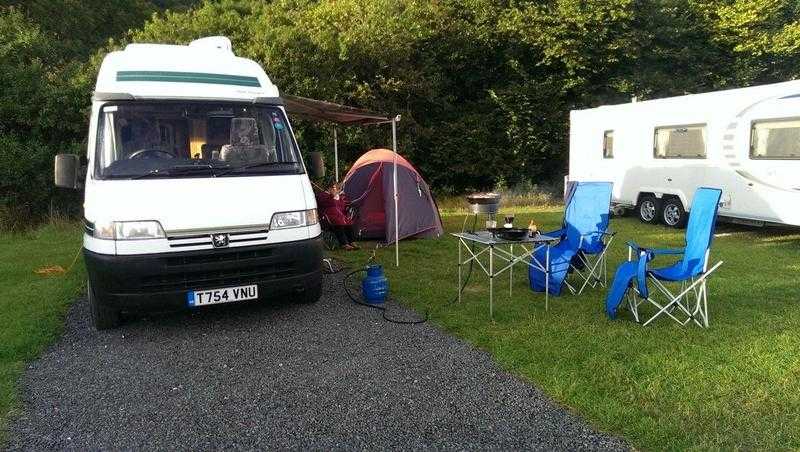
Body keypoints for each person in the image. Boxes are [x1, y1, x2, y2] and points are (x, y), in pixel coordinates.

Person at [315, 183, 359, 250]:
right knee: (338, 223)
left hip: (340, 216)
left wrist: (347, 208)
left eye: (335, 188)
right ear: (329, 188)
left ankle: (352, 241)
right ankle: (344, 244)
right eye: (334, 187)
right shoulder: (322, 195)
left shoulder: (338, 197)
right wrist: (331, 196)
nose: (335, 189)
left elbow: (343, 205)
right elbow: (323, 203)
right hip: (328, 217)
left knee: (348, 223)